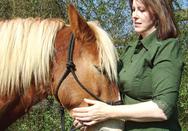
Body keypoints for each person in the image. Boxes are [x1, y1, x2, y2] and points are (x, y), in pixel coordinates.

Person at [72, 0, 184, 130]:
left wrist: (107, 112)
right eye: (133, 9)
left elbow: (163, 108)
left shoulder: (168, 47)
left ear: (158, 12)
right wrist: (91, 115)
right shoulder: (130, 50)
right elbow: (113, 93)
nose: (134, 15)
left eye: (141, 10)